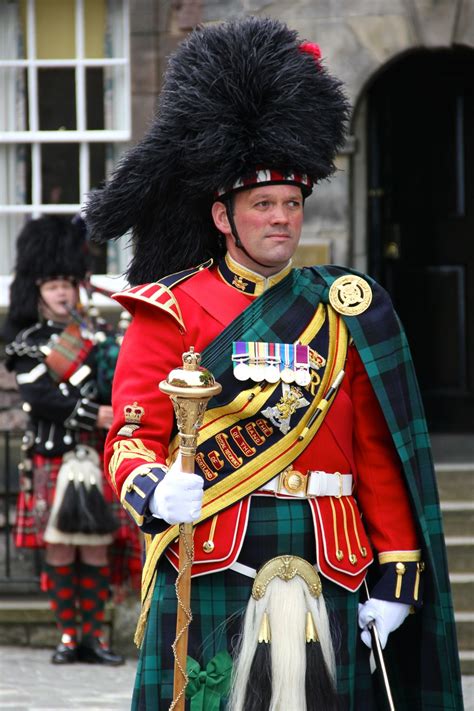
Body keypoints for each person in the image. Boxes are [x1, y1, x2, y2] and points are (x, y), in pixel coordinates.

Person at [85, 17, 463, 710]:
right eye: (264, 204)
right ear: (224, 216)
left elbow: (377, 453)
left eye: (292, 203)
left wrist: (398, 571)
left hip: (335, 556)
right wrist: (151, 487)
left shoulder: (344, 308)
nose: (282, 219)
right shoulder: (169, 307)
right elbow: (130, 435)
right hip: (216, 554)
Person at [4, 215, 140, 666]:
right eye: (52, 284)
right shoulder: (26, 343)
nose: (62, 292)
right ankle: (67, 636)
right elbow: (39, 395)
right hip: (53, 456)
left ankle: (94, 638)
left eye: (67, 282)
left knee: (97, 545)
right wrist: (91, 412)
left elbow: (116, 385)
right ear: (35, 290)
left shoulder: (100, 336)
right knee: (60, 545)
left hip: (96, 456)